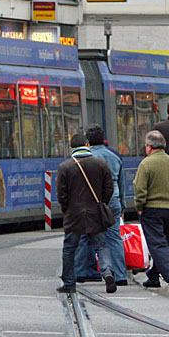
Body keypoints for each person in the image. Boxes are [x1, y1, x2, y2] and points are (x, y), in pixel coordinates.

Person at [56, 133, 116, 295]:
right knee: (101, 246)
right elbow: (109, 188)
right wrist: (101, 203)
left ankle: (69, 282)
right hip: (95, 213)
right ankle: (108, 273)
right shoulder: (100, 164)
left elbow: (61, 195)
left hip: (74, 215)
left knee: (69, 249)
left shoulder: (65, 167)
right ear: (87, 145)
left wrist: (66, 209)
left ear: (72, 148)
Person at [133, 130, 169, 288]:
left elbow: (140, 189)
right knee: (165, 244)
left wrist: (139, 207)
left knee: (157, 244)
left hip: (151, 210)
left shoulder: (146, 164)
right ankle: (153, 276)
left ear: (149, 147)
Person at [74, 125, 128, 287]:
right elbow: (121, 182)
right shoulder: (114, 156)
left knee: (84, 236)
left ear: (88, 141)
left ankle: (82, 272)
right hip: (112, 201)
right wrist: (122, 205)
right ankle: (120, 275)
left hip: (90, 203)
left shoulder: (86, 158)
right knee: (114, 238)